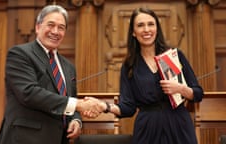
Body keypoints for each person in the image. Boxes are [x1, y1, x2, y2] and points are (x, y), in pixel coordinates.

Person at [85, 7, 203, 144]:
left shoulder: (173, 56)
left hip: (179, 125)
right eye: (140, 25)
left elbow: (198, 93)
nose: (146, 29)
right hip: (147, 129)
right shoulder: (129, 65)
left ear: (157, 28)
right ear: (133, 32)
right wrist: (104, 107)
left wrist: (181, 89)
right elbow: (127, 108)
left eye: (151, 24)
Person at [0, 5, 100, 144]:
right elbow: (29, 93)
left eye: (61, 27)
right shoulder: (20, 54)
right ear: (38, 27)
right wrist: (78, 105)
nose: (55, 31)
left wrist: (76, 120)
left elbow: (70, 99)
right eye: (51, 25)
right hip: (25, 138)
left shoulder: (68, 67)